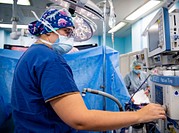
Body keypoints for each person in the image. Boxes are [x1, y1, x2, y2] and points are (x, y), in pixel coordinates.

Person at [11, 6, 166, 132]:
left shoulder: (30, 55)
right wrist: (140, 115)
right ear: (49, 29)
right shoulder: (49, 59)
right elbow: (80, 120)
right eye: (67, 31)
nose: (70, 38)